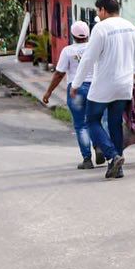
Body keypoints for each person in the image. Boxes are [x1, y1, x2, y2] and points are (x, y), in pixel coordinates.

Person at [70, 0, 135, 180]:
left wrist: (76, 83)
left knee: (91, 120)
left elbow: (88, 58)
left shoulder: (101, 28)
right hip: (124, 85)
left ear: (103, 10)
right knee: (115, 123)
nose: (98, 15)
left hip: (103, 85)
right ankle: (117, 167)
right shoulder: (131, 27)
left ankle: (112, 155)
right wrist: (134, 82)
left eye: (97, 11)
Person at [42, 21, 96, 169]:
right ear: (88, 35)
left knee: (81, 125)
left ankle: (87, 159)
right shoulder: (94, 48)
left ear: (72, 36)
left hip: (76, 89)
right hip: (95, 88)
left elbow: (59, 74)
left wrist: (48, 92)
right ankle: (99, 146)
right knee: (96, 121)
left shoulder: (67, 51)